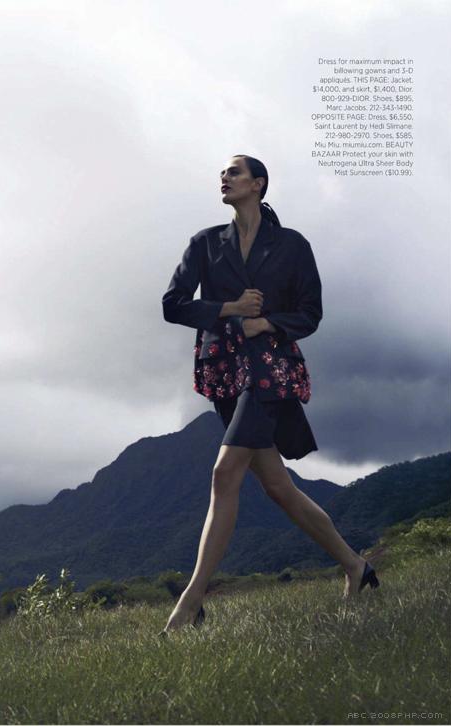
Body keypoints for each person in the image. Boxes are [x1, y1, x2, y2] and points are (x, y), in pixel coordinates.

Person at [159, 155, 379, 635]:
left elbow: (310, 313)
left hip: (269, 369)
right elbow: (172, 305)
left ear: (258, 184)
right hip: (222, 369)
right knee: (278, 488)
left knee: (224, 473)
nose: (224, 177)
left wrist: (267, 323)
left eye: (234, 172)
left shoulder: (292, 245)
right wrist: (230, 308)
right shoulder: (204, 243)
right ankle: (356, 566)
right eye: (222, 172)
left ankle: (191, 603)